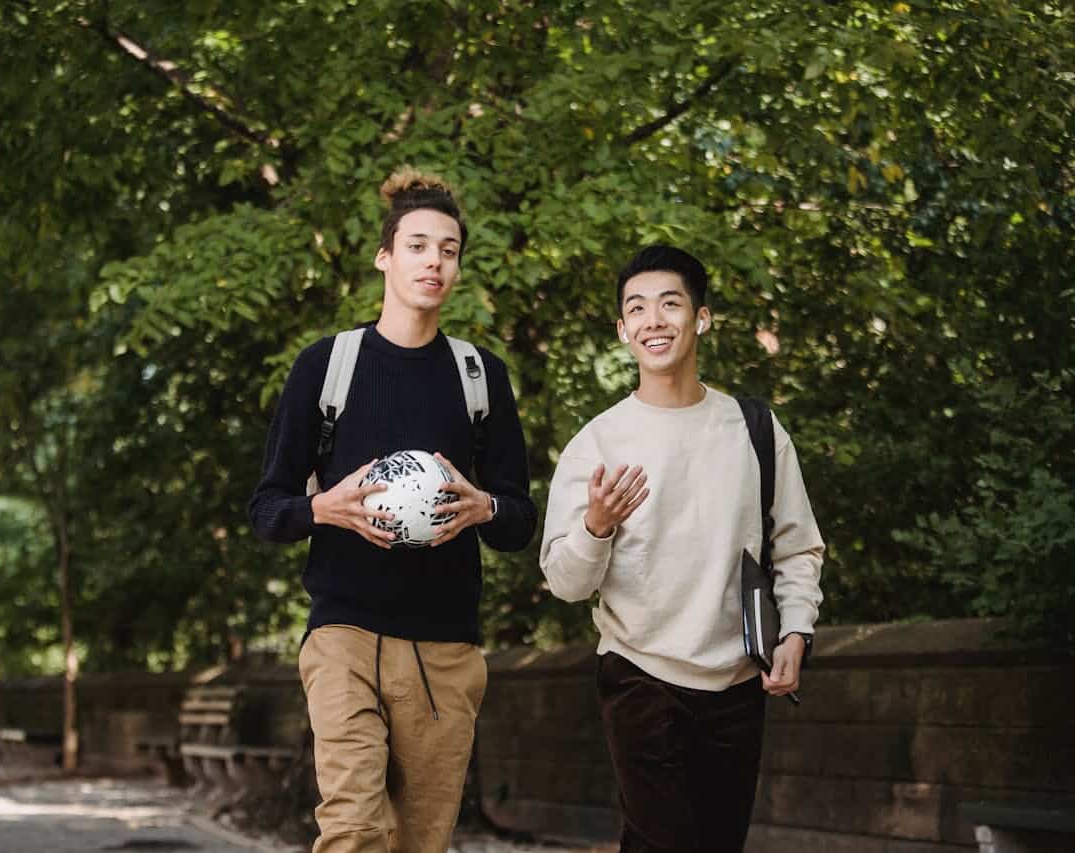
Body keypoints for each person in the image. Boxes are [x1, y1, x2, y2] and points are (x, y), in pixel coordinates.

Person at [249, 167, 537, 853]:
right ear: (385, 255)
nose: (433, 260)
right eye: (416, 245)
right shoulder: (328, 367)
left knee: (417, 842)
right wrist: (324, 509)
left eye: (448, 249)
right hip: (343, 635)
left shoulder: (479, 377)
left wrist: (481, 507)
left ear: (459, 267)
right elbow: (267, 509)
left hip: (445, 648)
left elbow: (520, 519)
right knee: (352, 827)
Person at [539, 245, 824, 852]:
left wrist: (796, 632)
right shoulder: (599, 442)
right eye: (636, 309)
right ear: (622, 330)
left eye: (670, 304)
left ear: (701, 318)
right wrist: (595, 526)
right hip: (639, 673)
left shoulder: (755, 430)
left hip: (738, 681)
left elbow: (797, 547)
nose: (653, 320)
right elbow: (564, 581)